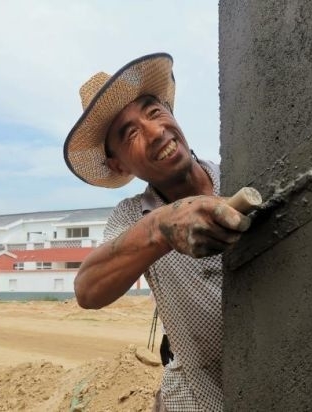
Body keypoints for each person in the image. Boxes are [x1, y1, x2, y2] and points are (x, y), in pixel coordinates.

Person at [63, 53, 251, 412]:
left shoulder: (240, 173)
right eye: (130, 133)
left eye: (153, 112)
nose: (154, 132)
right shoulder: (134, 216)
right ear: (118, 164)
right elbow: (87, 290)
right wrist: (160, 228)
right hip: (196, 400)